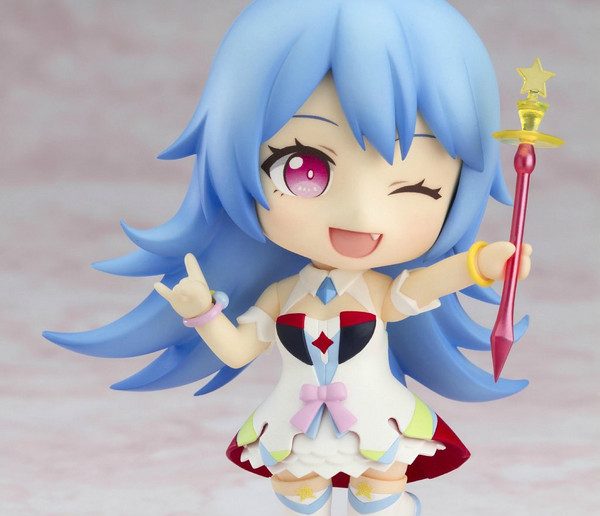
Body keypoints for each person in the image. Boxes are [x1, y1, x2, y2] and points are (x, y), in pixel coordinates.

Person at [45, 1, 532, 514]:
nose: (361, 216)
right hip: (295, 424)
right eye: (303, 169)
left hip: (377, 418)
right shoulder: (282, 296)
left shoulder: (377, 293)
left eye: (416, 188)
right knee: (299, 498)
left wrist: (483, 263)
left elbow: (427, 284)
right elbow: (238, 351)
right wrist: (202, 310)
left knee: (379, 495)